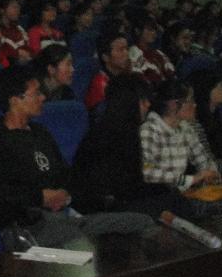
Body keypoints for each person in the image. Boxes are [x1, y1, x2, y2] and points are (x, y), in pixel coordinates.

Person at [0, 65, 152, 249]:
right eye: (36, 93)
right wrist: (39, 198)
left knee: (140, 222)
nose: (43, 97)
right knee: (79, 245)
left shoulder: (40, 133)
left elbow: (65, 175)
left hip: (62, 218)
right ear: (15, 100)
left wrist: (66, 194)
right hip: (26, 226)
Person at [71, 74, 197, 221]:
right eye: (142, 100)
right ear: (128, 102)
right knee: (176, 203)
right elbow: (122, 187)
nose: (148, 104)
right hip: (103, 206)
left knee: (174, 198)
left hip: (119, 199)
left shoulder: (123, 130)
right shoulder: (110, 136)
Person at [140, 79, 221, 193]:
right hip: (155, 194)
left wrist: (212, 174)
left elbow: (203, 159)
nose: (194, 105)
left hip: (179, 193)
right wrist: (192, 179)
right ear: (173, 104)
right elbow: (147, 172)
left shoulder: (185, 128)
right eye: (190, 100)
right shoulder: (149, 131)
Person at [85, 28, 132, 110]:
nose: (126, 53)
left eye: (127, 49)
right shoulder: (100, 84)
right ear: (105, 57)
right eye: (121, 50)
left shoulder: (126, 76)